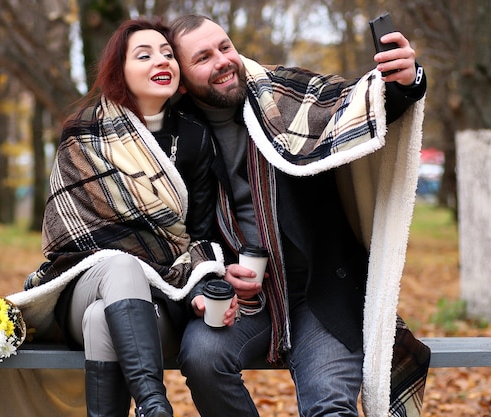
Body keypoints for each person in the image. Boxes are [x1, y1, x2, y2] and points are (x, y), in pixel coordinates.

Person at [169, 14, 430, 417]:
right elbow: (176, 230)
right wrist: (214, 273)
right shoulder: (174, 136)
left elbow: (358, 108)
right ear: (182, 80)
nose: (222, 61)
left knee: (329, 405)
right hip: (240, 296)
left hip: (319, 290)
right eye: (202, 57)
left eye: (224, 47)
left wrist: (405, 80)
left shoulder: (284, 94)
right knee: (203, 358)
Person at [23, 18, 237, 417]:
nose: (162, 61)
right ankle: (155, 405)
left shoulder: (194, 136)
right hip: (83, 281)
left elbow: (202, 235)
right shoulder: (83, 133)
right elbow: (67, 232)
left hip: (162, 295)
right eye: (144, 55)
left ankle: (151, 409)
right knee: (118, 267)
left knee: (102, 319)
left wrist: (199, 291)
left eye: (169, 54)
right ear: (119, 71)